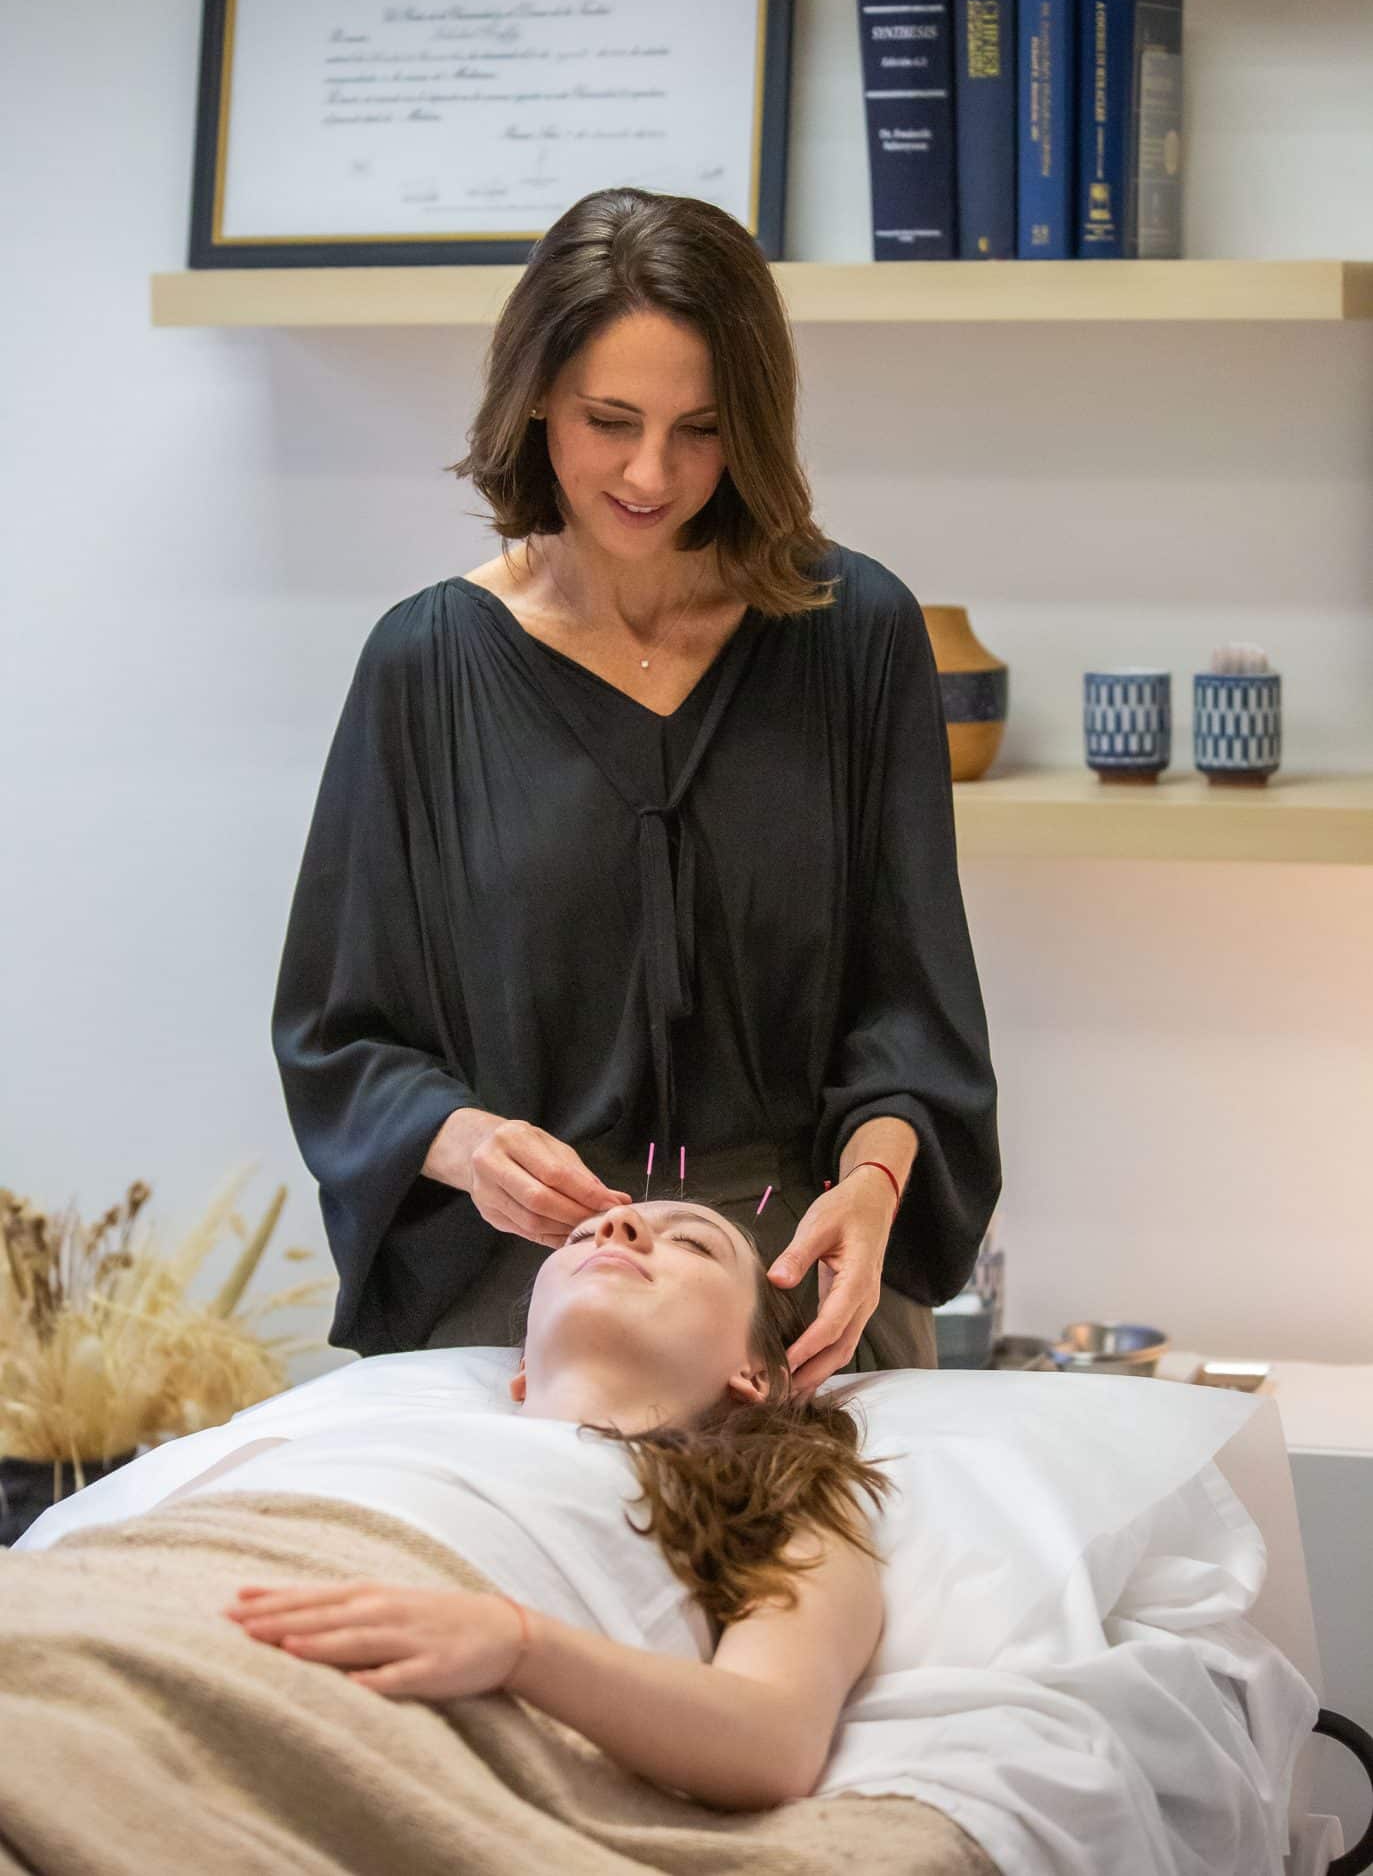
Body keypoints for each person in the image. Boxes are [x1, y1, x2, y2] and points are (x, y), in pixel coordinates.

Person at [270, 184, 1002, 1392]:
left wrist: (873, 1190)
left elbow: (910, 1013)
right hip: (527, 1293)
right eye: (609, 418)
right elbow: (340, 1037)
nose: (651, 473)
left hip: (801, 1304)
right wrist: (466, 1144)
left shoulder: (853, 632)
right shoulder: (424, 667)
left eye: (701, 428)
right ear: (534, 399)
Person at [187, 1193, 901, 1810]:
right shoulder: (348, 1436)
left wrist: (517, 1645)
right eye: (580, 1235)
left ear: (759, 1373)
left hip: (325, 1717)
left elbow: (772, 1740)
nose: (614, 1226)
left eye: (690, 1242)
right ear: (522, 1366)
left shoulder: (767, 1500)